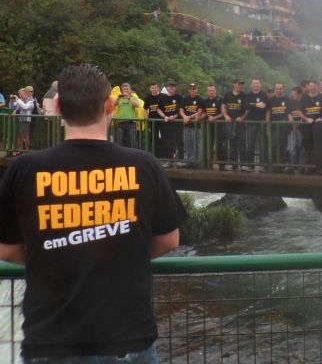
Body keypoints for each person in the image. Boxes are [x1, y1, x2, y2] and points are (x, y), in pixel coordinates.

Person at [0, 63, 184, 361]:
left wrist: (53, 253)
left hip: (51, 341)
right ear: (109, 104)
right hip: (128, 338)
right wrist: (118, 250)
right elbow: (169, 240)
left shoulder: (24, 169)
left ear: (57, 106)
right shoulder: (145, 165)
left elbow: (6, 250)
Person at [221, 80, 247, 163]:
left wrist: (242, 117)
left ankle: (243, 164)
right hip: (230, 123)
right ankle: (233, 163)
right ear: (234, 85)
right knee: (231, 143)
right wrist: (225, 115)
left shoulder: (244, 95)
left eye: (241, 84)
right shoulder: (227, 95)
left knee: (242, 142)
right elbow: (223, 105)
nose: (240, 86)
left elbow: (247, 109)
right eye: (239, 84)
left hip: (240, 123)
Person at [179, 83, 205, 162]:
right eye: (191, 89)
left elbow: (200, 111)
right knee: (187, 144)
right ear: (189, 90)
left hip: (196, 126)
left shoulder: (200, 99)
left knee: (196, 145)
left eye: (194, 89)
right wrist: (184, 117)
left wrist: (189, 117)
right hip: (187, 125)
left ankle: (196, 161)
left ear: (197, 90)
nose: (193, 90)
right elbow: (181, 110)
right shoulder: (185, 99)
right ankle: (189, 161)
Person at [157, 81, 182, 161]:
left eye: (173, 86)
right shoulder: (163, 97)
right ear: (167, 87)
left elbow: (181, 109)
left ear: (175, 88)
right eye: (169, 86)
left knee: (178, 141)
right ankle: (169, 160)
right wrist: (164, 116)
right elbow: (158, 109)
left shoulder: (179, 97)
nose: (171, 88)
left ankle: (180, 161)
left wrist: (174, 116)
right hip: (166, 124)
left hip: (177, 124)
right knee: (167, 143)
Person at [113, 83, 142, 148]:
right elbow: (113, 105)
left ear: (130, 90)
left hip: (131, 122)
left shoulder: (133, 97)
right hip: (120, 122)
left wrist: (129, 98)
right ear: (122, 90)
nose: (126, 90)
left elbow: (137, 105)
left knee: (132, 141)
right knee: (119, 141)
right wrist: (118, 98)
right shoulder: (120, 98)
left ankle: (133, 155)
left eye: (127, 89)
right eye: (124, 89)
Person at [203, 84, 224, 163]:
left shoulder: (220, 99)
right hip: (208, 127)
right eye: (209, 90)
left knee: (219, 144)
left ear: (215, 91)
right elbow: (203, 112)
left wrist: (214, 118)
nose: (211, 92)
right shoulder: (205, 101)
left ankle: (221, 164)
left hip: (219, 126)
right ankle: (209, 162)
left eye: (213, 90)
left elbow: (223, 113)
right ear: (207, 91)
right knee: (208, 144)